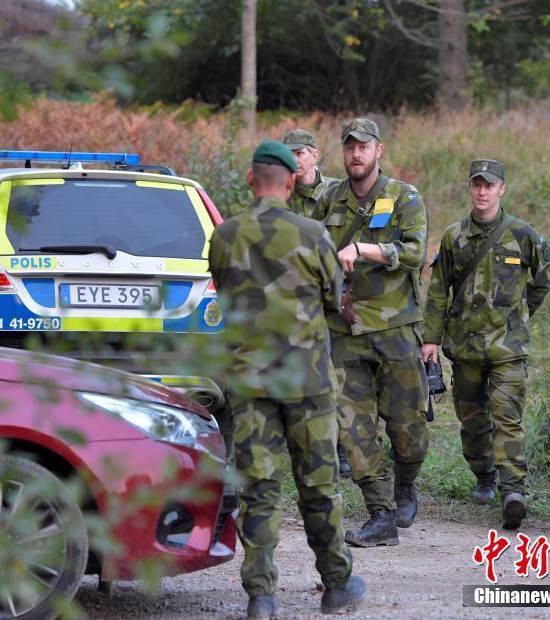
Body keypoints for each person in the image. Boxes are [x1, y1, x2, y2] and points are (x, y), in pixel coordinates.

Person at [208, 140, 365, 618]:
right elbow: (333, 294)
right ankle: (336, 585)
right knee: (319, 485)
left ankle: (262, 596)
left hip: (251, 384)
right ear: (292, 180)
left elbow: (222, 288)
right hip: (308, 382)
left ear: (252, 180)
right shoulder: (313, 233)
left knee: (259, 490)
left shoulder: (225, 235)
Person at [421, 159, 550, 530]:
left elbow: (544, 277)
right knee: (473, 421)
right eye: (476, 185)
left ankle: (513, 492)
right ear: (470, 189)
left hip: (508, 350)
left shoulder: (523, 235)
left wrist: (521, 314)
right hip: (465, 349)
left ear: (501, 190)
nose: (482, 191)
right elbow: (437, 291)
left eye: (489, 185)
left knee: (507, 418)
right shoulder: (454, 237)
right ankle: (484, 475)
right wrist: (430, 339)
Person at [316, 117, 430, 547]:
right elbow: (311, 248)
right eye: (349, 147)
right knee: (354, 427)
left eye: (363, 146)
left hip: (395, 327)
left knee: (408, 426)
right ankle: (380, 515)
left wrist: (364, 248)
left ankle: (405, 484)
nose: (356, 154)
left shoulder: (404, 196)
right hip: (343, 330)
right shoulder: (330, 198)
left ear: (378, 150)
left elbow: (417, 252)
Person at [282, 128, 351, 478]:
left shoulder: (338, 192)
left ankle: (341, 449)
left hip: (332, 296)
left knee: (335, 372)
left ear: (314, 154)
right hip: (293, 298)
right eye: (288, 153)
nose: (295, 159)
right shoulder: (279, 196)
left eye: (300, 153)